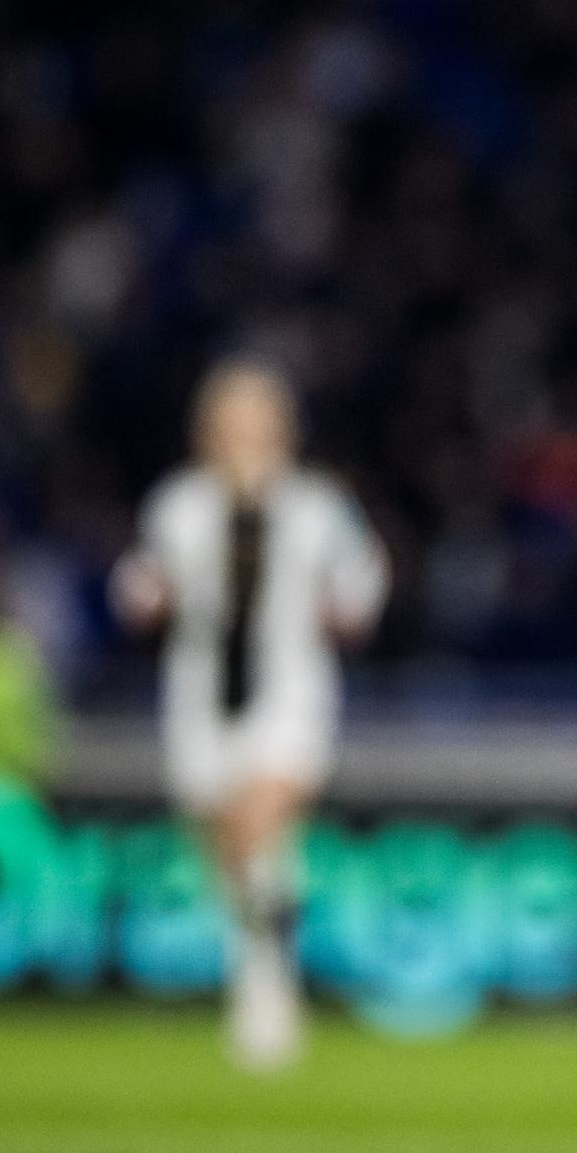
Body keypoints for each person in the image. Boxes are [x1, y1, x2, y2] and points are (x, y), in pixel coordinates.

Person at [112, 360, 389, 1073]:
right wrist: (149, 597)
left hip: (288, 692)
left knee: (261, 814)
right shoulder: (178, 506)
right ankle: (263, 967)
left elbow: (364, 585)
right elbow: (139, 585)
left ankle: (265, 990)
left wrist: (343, 609)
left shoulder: (317, 507)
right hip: (199, 698)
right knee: (230, 847)